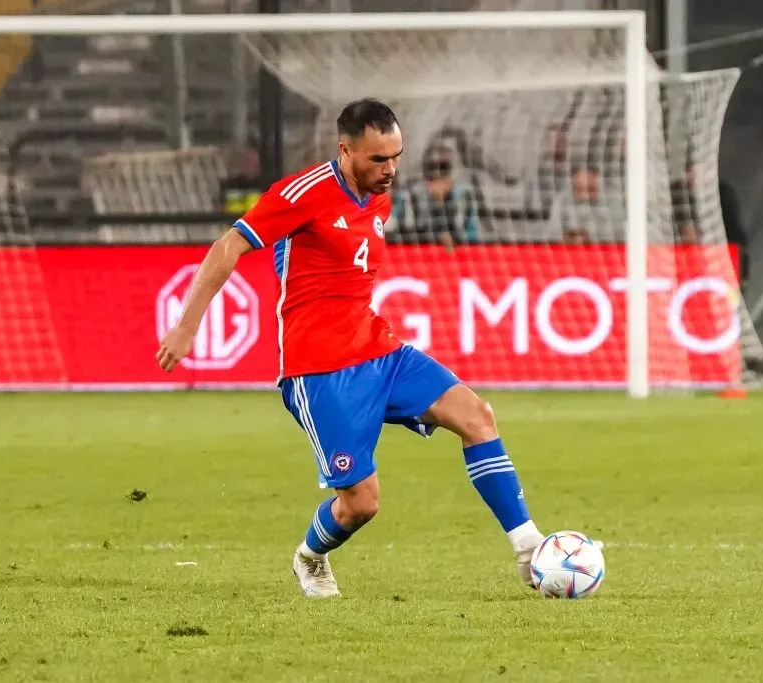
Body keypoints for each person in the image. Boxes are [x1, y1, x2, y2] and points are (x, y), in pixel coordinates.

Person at [156, 99, 544, 598]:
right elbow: (227, 247)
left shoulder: (379, 194)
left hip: (378, 349)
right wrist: (187, 326)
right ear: (345, 149)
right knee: (361, 504)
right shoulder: (303, 193)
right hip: (319, 370)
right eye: (378, 160)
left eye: (396, 157)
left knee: (477, 416)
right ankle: (310, 556)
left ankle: (529, 547)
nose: (390, 170)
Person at [389, 143, 481, 249]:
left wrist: (455, 239)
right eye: (431, 168)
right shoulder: (411, 196)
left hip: (457, 258)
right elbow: (401, 233)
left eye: (444, 168)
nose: (437, 175)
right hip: (421, 256)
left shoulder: (464, 196)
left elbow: (473, 236)